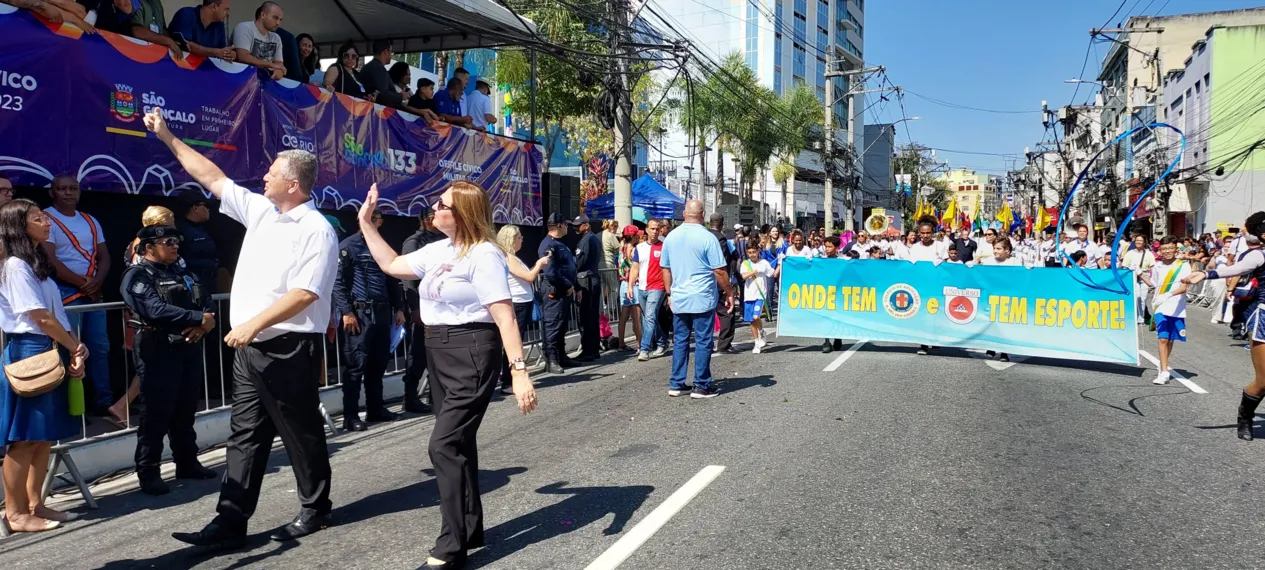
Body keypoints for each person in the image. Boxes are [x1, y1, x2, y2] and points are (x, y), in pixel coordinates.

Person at [146, 108, 338, 547]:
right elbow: (213, 177)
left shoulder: (315, 229)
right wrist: (167, 136)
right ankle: (230, 521)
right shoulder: (262, 212)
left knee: (300, 433)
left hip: (287, 347)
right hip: (250, 349)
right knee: (244, 436)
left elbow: (305, 293)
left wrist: (253, 324)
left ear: (293, 184)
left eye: (271, 174)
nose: (263, 179)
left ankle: (315, 508)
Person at [355, 181, 537, 569]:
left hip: (472, 349)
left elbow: (504, 315)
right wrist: (367, 224)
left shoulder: (484, 254)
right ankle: (470, 528)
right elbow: (391, 265)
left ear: (463, 215)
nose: (433, 208)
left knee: (443, 445)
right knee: (459, 442)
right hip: (438, 349)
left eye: (442, 204)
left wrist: (518, 371)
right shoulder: (438, 250)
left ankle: (450, 546)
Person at [0, 199, 88, 533]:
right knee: (23, 438)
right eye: (38, 219)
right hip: (30, 351)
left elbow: (56, 313)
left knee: (43, 436)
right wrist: (71, 345)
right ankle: (15, 513)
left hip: (52, 347)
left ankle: (35, 503)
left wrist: (76, 348)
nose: (47, 222)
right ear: (21, 226)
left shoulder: (35, 262)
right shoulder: (13, 266)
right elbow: (39, 316)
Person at [119, 225, 218, 495]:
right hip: (157, 346)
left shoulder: (182, 271)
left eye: (177, 241)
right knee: (156, 414)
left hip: (188, 345)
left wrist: (203, 323)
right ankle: (149, 472)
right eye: (168, 242)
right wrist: (198, 319)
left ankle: (187, 463)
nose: (175, 246)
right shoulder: (137, 275)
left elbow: (206, 301)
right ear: (149, 247)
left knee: (185, 410)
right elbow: (152, 308)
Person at [1183, 211, 1265, 440]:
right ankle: (1245, 416)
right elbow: (1235, 269)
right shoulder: (1259, 256)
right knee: (1264, 381)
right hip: (1264, 319)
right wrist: (1205, 274)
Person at [42, 175, 112, 415]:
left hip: (93, 292)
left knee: (99, 347)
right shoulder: (46, 218)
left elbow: (104, 255)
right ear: (52, 192)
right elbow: (51, 261)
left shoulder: (89, 220)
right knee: (70, 348)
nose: (68, 193)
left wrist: (97, 282)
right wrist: (83, 283)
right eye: (62, 189)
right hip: (65, 291)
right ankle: (69, 406)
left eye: (73, 188)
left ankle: (102, 403)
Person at [332, 208, 406, 432]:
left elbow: (392, 277)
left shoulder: (382, 246)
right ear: (360, 220)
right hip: (359, 314)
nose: (376, 222)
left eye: (378, 219)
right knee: (355, 367)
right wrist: (346, 311)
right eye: (372, 218)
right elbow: (337, 282)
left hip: (383, 313)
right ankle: (351, 416)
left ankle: (376, 409)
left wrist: (399, 308)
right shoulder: (348, 246)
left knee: (378, 365)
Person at [660, 200, 734, 399]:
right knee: (703, 341)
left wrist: (669, 294)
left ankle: (677, 383)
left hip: (679, 297)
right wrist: (729, 292)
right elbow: (719, 270)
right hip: (702, 297)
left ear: (684, 213)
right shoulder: (707, 237)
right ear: (703, 215)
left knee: (681, 340)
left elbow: (665, 268)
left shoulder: (671, 237)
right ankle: (701, 384)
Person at [400, 205, 445, 412]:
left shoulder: (442, 241)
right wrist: (415, 309)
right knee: (417, 355)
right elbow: (408, 279)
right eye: (433, 216)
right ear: (425, 219)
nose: (437, 219)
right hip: (421, 307)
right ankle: (410, 397)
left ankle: (435, 396)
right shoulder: (414, 242)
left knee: (436, 355)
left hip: (439, 307)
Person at [496, 225, 548, 394]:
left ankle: (509, 378)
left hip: (522, 302)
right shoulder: (508, 257)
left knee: (517, 340)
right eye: (519, 237)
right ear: (511, 239)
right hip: (517, 303)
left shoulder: (513, 257)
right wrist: (539, 264)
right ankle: (507, 381)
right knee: (513, 342)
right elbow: (529, 277)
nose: (522, 240)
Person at [1138, 236, 1191, 385]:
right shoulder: (1157, 266)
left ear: (1175, 248)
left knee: (1171, 339)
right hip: (1160, 306)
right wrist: (1140, 273)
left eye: (1170, 248)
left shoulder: (1183, 266)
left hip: (1176, 307)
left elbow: (1184, 287)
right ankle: (1164, 371)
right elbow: (1153, 284)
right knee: (1162, 338)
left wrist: (1168, 294)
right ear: (1160, 250)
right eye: (1164, 248)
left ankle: (1163, 364)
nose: (1167, 251)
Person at [538, 213, 577, 373]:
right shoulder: (549, 245)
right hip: (555, 291)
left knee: (561, 324)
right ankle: (551, 360)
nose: (568, 227)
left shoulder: (559, 244)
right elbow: (550, 271)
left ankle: (561, 355)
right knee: (553, 324)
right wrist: (567, 284)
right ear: (559, 225)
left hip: (563, 291)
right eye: (566, 224)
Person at [631, 218, 668, 361]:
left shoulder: (664, 247)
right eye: (652, 229)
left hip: (657, 287)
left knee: (650, 317)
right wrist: (630, 286)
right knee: (648, 318)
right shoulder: (639, 248)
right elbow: (635, 268)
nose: (655, 232)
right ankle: (662, 341)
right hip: (642, 287)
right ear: (646, 230)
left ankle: (645, 348)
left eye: (657, 229)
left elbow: (668, 268)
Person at [708, 213, 739, 354]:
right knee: (727, 312)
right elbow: (722, 263)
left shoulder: (704, 237)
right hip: (718, 281)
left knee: (705, 314)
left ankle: (707, 344)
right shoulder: (721, 239)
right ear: (721, 224)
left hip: (704, 281)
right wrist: (728, 286)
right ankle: (724, 344)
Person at [571, 215, 602, 361]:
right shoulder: (594, 238)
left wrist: (570, 269)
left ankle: (588, 350)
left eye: (579, 225)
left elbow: (579, 262)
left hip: (586, 280)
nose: (576, 228)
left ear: (586, 225)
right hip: (593, 278)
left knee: (585, 317)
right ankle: (594, 349)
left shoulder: (586, 240)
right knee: (593, 316)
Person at [230, 1, 285, 81]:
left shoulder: (276, 38)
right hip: (239, 80)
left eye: (280, 19)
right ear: (263, 15)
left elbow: (279, 65)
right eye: (275, 18)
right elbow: (242, 56)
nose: (278, 23)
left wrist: (279, 71)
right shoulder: (244, 28)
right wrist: (270, 64)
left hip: (263, 84)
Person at [166, 0, 235, 61]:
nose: (228, 13)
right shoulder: (186, 14)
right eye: (226, 9)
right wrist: (216, 52)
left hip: (202, 72)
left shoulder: (220, 25)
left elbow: (223, 51)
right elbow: (188, 46)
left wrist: (230, 54)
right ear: (214, 7)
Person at [740, 243, 773, 354]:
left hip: (760, 294)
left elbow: (772, 274)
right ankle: (757, 342)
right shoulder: (745, 263)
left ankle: (761, 331)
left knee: (756, 316)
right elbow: (744, 276)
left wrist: (780, 262)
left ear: (758, 251)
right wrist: (755, 271)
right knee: (752, 321)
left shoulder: (764, 263)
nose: (752, 254)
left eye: (754, 252)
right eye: (749, 253)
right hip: (749, 295)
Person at [615, 225, 642, 351]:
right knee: (636, 316)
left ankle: (621, 343)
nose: (639, 236)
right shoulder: (634, 250)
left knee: (624, 316)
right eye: (637, 234)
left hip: (623, 284)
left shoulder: (621, 249)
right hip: (634, 283)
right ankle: (640, 344)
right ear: (632, 236)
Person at [358, 39, 404, 109]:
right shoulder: (379, 68)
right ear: (385, 52)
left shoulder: (367, 67)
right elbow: (383, 94)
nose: (391, 56)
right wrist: (400, 96)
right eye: (391, 52)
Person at [1123, 235, 1156, 325]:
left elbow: (1152, 267)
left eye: (1141, 240)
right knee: (1136, 297)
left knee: (1143, 298)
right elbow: (1125, 266)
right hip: (1133, 276)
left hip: (1145, 276)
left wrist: (1152, 280)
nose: (1138, 242)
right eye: (1137, 240)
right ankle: (1134, 317)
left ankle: (1141, 319)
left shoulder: (1149, 254)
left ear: (1144, 242)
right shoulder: (1129, 253)